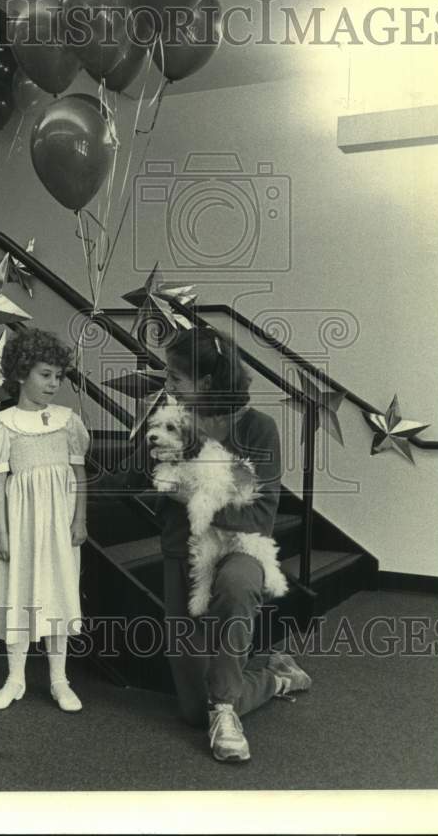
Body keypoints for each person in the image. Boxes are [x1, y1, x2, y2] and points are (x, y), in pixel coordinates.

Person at [150, 326, 311, 761]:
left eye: (175, 378)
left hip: (241, 549)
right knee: (189, 712)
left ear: (205, 382)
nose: (167, 385)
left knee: (240, 583)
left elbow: (259, 516)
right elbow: (134, 479)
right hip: (182, 556)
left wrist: (191, 495)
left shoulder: (258, 429)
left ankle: (225, 709)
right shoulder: (169, 419)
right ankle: (276, 677)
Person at [0, 327, 90, 713]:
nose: (54, 383)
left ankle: (59, 680)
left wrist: (80, 520)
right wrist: (2, 533)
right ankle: (15, 679)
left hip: (59, 524)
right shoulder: (0, 425)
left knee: (58, 593)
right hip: (21, 524)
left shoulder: (68, 421)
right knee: (18, 594)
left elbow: (78, 476)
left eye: (59, 376)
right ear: (22, 373)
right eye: (46, 375)